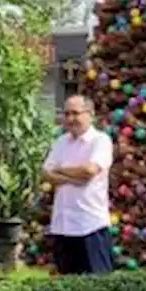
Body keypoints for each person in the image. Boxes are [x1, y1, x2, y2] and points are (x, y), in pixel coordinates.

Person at [41, 94, 114, 275]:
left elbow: (89, 171)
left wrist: (61, 169)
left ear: (90, 114)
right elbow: (45, 173)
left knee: (98, 286)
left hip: (90, 225)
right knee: (67, 287)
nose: (70, 119)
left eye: (75, 113)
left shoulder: (100, 141)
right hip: (64, 225)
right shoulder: (61, 142)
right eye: (66, 114)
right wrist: (74, 177)